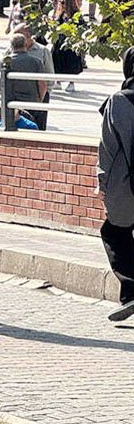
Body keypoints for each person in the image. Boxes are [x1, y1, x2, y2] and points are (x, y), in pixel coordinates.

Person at [99, 47, 134, 322]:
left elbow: (108, 150)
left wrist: (103, 185)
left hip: (126, 186)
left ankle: (131, 289)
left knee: (114, 232)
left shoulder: (119, 101)